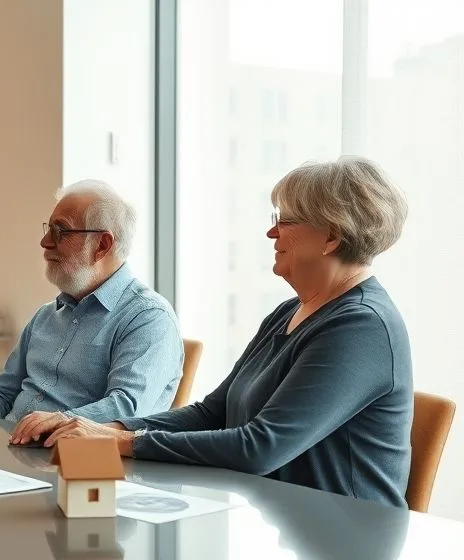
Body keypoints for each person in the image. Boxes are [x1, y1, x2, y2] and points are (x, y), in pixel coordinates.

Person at [43, 156, 413, 508]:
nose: (271, 232)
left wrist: (122, 441)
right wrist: (103, 426)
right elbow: (211, 413)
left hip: (344, 541)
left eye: (285, 221)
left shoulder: (361, 326)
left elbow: (260, 447)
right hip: (278, 521)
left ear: (330, 237)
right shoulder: (290, 312)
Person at [0, 179, 184, 444]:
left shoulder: (149, 319)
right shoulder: (44, 316)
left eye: (60, 231)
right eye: (48, 229)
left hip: (79, 469)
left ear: (102, 245)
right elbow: (3, 393)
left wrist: (60, 421)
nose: (44, 242)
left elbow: (128, 410)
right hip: (16, 454)